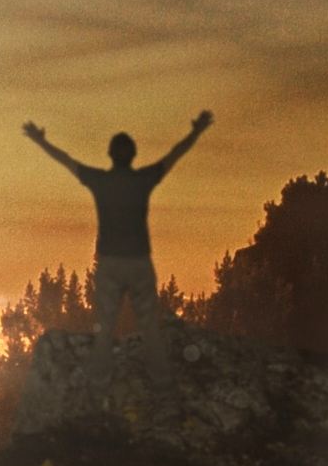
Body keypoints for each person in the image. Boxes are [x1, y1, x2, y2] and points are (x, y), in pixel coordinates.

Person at [22, 111, 214, 387]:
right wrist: (196, 131)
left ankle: (100, 379)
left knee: (105, 324)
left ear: (110, 154)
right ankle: (161, 378)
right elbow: (174, 154)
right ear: (133, 155)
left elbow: (66, 161)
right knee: (149, 323)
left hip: (110, 262)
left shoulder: (100, 181)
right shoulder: (142, 180)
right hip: (138, 261)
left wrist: (41, 141)